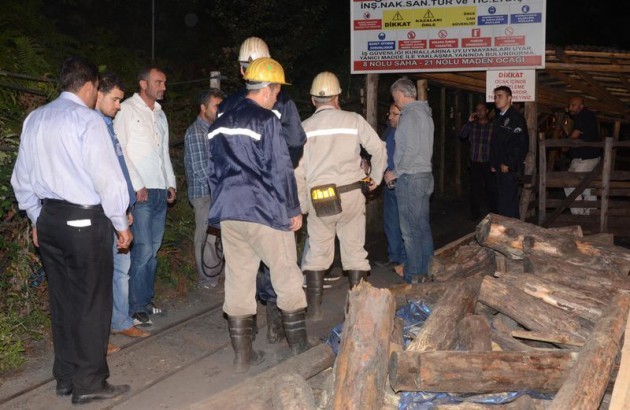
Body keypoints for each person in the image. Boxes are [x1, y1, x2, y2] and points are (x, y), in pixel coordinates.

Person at [11, 56, 131, 404]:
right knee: (92, 302)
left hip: (49, 221)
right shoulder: (87, 120)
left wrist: (37, 218)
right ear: (91, 86)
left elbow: (22, 179)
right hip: (84, 221)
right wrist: (120, 223)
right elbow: (107, 179)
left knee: (63, 300)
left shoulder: (35, 119)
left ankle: (65, 376)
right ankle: (90, 382)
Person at [207, 57, 309, 373]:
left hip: (230, 212)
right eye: (277, 89)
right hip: (264, 209)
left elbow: (212, 171)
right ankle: (299, 348)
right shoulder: (266, 120)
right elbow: (281, 169)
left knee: (239, 279)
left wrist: (219, 207)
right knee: (285, 273)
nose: (278, 96)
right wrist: (293, 210)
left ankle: (243, 356)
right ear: (268, 88)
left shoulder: (218, 123)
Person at [295, 71, 386, 319]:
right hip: (351, 194)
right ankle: (357, 310)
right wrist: (374, 180)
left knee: (317, 252)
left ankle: (314, 311)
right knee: (355, 250)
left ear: (314, 100)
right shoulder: (353, 120)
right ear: (338, 97)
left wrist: (302, 204)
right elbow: (379, 149)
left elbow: (298, 171)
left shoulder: (304, 128)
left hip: (320, 198)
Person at [114, 66, 176, 327]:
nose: (163, 86)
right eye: (158, 82)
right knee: (143, 248)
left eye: (164, 82)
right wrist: (137, 184)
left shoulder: (160, 115)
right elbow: (119, 149)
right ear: (143, 84)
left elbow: (164, 153)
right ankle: (136, 307)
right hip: (141, 193)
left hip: (160, 190)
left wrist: (170, 182)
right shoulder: (127, 109)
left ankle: (146, 301)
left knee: (154, 250)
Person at [96, 72, 151, 345]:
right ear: (97, 94)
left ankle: (120, 322)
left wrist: (126, 205)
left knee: (121, 269)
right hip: (99, 213)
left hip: (118, 211)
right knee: (101, 274)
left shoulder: (108, 125)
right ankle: (98, 335)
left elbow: (118, 172)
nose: (119, 105)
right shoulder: (91, 127)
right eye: (115, 99)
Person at [384, 78, 434, 284]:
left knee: (410, 231)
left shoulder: (411, 115)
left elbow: (411, 149)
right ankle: (426, 269)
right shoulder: (424, 112)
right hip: (423, 175)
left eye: (395, 97)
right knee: (421, 226)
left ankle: (414, 274)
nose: (395, 101)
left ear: (402, 94)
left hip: (411, 178)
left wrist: (396, 172)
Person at [184, 88, 226, 288]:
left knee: (218, 236)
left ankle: (216, 272)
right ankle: (206, 277)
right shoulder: (196, 132)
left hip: (217, 191)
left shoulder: (215, 130)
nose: (220, 109)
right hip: (204, 194)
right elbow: (201, 170)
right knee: (204, 236)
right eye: (216, 105)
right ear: (203, 108)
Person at [489, 86, 528, 219]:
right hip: (499, 167)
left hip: (508, 169)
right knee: (501, 203)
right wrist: (494, 162)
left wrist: (508, 163)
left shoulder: (516, 118)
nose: (496, 99)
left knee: (508, 205)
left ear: (509, 98)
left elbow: (519, 144)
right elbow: (496, 143)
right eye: (495, 97)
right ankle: (507, 233)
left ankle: (512, 235)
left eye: (500, 96)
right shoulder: (499, 117)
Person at [376, 104, 406, 272]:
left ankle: (404, 259)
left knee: (404, 223)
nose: (390, 117)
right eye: (390, 113)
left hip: (402, 182)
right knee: (391, 221)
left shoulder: (407, 133)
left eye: (394, 114)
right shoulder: (389, 131)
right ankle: (394, 257)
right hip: (389, 183)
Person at [458, 102, 496, 220]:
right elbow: (462, 135)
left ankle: (494, 215)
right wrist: (469, 121)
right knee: (475, 190)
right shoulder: (472, 126)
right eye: (477, 110)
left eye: (482, 110)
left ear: (486, 111)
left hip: (488, 163)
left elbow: (497, 145)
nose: (479, 112)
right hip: (475, 163)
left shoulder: (492, 127)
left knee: (491, 190)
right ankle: (475, 215)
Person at [564, 96, 601, 215]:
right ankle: (590, 215)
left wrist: (564, 145)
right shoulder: (587, 116)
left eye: (573, 105)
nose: (570, 108)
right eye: (570, 105)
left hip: (586, 158)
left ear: (581, 106)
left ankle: (580, 215)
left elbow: (575, 135)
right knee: (587, 186)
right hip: (589, 157)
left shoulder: (583, 115)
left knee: (569, 184)